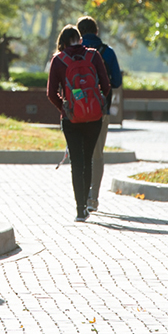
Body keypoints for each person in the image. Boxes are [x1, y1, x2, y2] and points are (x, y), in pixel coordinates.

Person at [47, 24, 112, 222]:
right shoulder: (93, 56)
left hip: (71, 119)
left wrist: (66, 108)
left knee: (77, 161)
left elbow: (50, 94)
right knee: (89, 159)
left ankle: (80, 209)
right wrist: (95, 104)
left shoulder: (58, 60)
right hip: (94, 118)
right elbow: (106, 86)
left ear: (63, 42)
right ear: (80, 39)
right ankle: (87, 201)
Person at [76, 16, 122, 214]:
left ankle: (80, 195)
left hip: (76, 111)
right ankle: (92, 198)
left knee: (80, 154)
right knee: (97, 154)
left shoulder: (72, 53)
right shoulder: (107, 52)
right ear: (96, 32)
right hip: (100, 109)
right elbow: (117, 82)